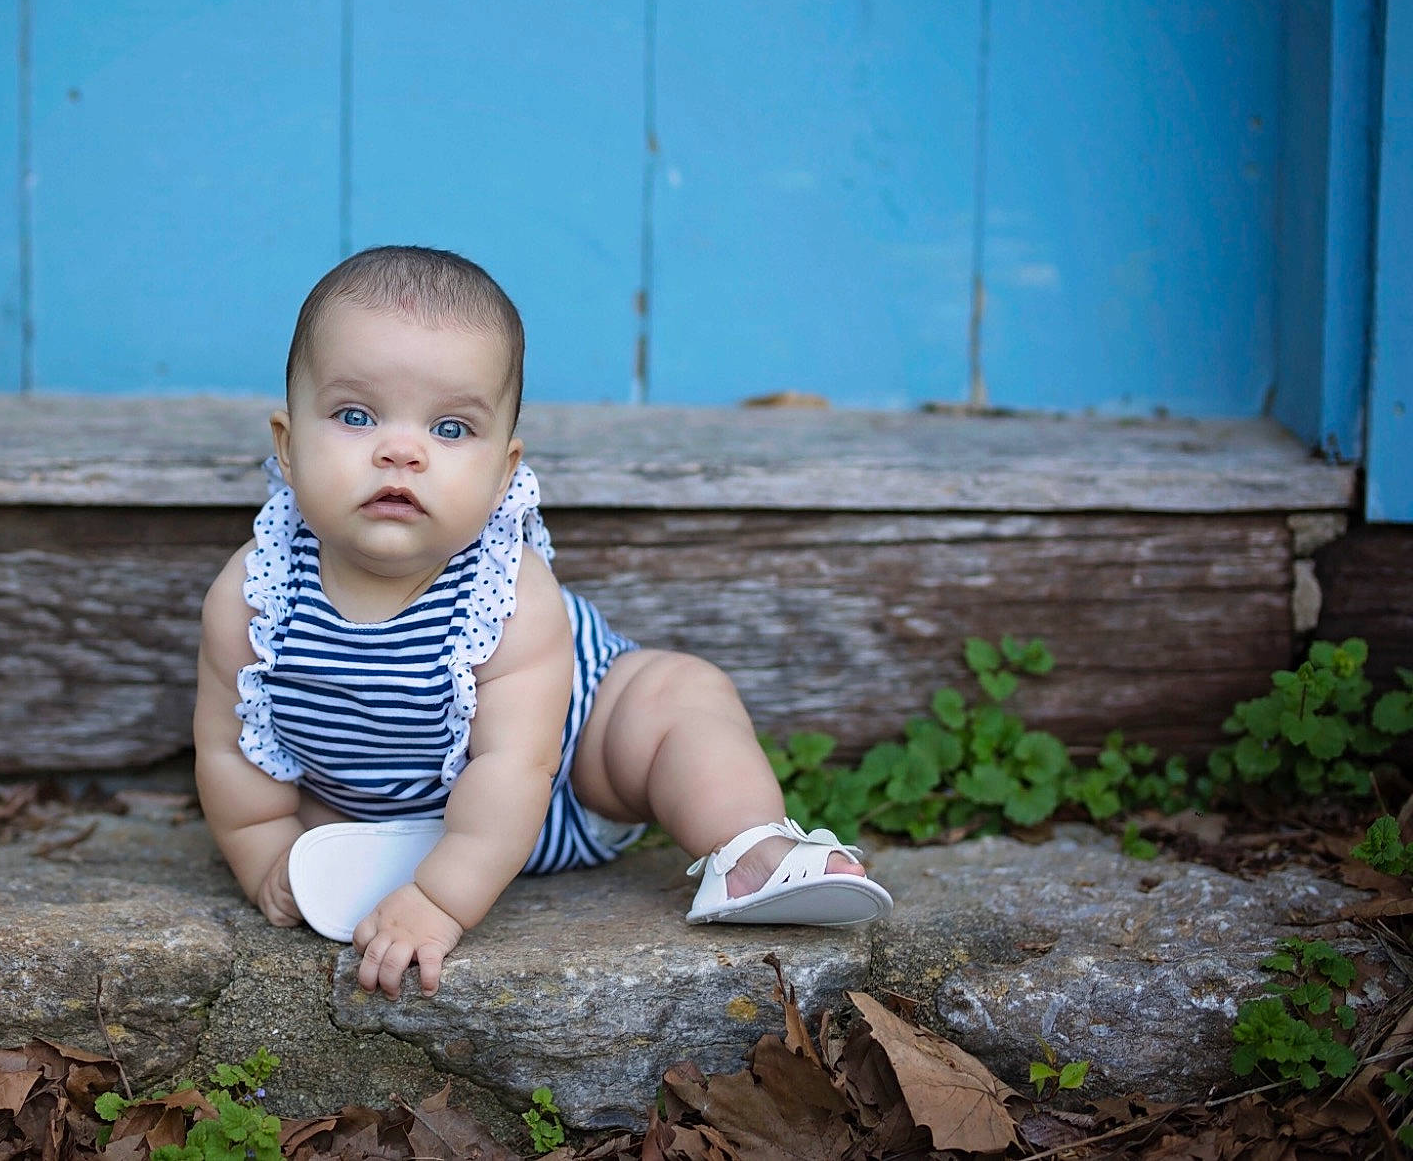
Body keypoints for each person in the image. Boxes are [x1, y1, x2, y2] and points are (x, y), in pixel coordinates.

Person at [192, 246, 891, 1002]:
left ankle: (751, 847)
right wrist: (265, 855)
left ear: (504, 472)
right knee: (295, 803)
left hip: (569, 769)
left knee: (675, 695)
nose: (400, 451)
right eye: (355, 416)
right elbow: (232, 751)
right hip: (380, 817)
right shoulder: (255, 595)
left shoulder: (509, 595)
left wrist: (441, 901)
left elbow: (515, 767)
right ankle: (377, 854)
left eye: (451, 428)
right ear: (289, 446)